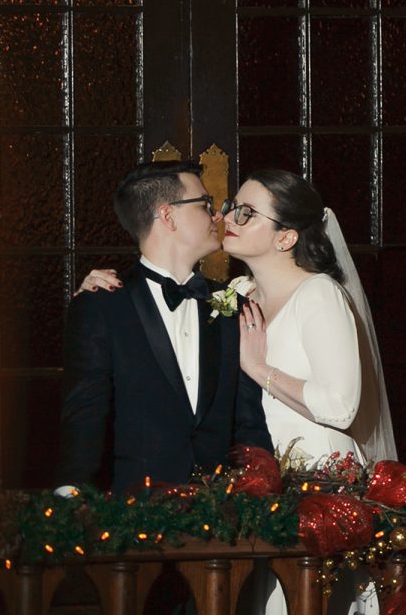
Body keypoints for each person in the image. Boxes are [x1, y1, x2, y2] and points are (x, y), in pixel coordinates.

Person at [77, 168, 395, 615]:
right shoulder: (237, 298)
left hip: (318, 500)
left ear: (286, 234)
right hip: (251, 514)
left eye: (244, 209)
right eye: (220, 205)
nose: (227, 216)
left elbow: (339, 405)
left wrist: (261, 372)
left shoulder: (319, 297)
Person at [56, 159, 272, 494]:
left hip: (223, 518)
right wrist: (70, 499)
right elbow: (85, 415)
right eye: (205, 205)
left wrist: (261, 499)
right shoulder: (101, 306)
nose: (218, 216)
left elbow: (249, 423)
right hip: (133, 515)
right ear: (167, 215)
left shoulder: (234, 307)